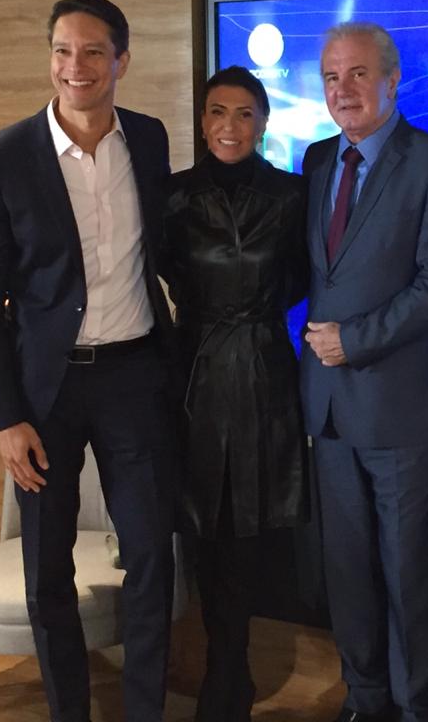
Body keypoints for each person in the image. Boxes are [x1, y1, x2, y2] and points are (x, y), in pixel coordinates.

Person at [0, 0, 176, 722]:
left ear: (121, 59)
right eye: (61, 51)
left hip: (134, 377)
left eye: (90, 52)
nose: (73, 67)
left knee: (151, 556)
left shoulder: (147, 139)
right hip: (43, 393)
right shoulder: (0, 158)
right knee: (45, 567)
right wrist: (5, 418)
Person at [299, 21, 428, 722]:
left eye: (359, 74)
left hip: (404, 408)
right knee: (347, 575)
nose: (344, 90)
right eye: (331, 77)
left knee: (409, 577)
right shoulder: (315, 162)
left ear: (393, 80)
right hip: (330, 410)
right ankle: (364, 700)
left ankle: (418, 707)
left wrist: (355, 340)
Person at [159, 66, 310, 722]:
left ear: (264, 121)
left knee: (247, 532)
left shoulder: (293, 194)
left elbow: (304, 277)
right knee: (202, 527)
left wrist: (250, 315)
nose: (230, 126)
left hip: (263, 370)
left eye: (245, 113)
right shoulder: (170, 197)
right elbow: (159, 271)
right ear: (201, 120)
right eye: (218, 112)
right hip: (190, 370)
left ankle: (229, 677)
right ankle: (225, 672)